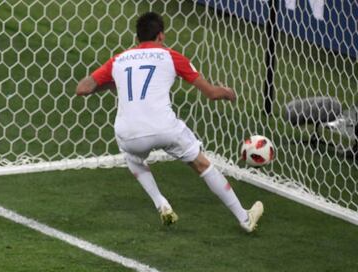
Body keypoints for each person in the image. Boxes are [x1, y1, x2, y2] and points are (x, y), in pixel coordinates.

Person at [76, 11, 264, 233]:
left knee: (134, 159)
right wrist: (228, 92)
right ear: (161, 36)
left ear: (137, 38)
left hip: (128, 133)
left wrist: (114, 83)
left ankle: (161, 203)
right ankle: (244, 218)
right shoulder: (172, 57)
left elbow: (83, 88)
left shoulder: (119, 59)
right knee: (202, 164)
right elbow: (212, 94)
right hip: (164, 128)